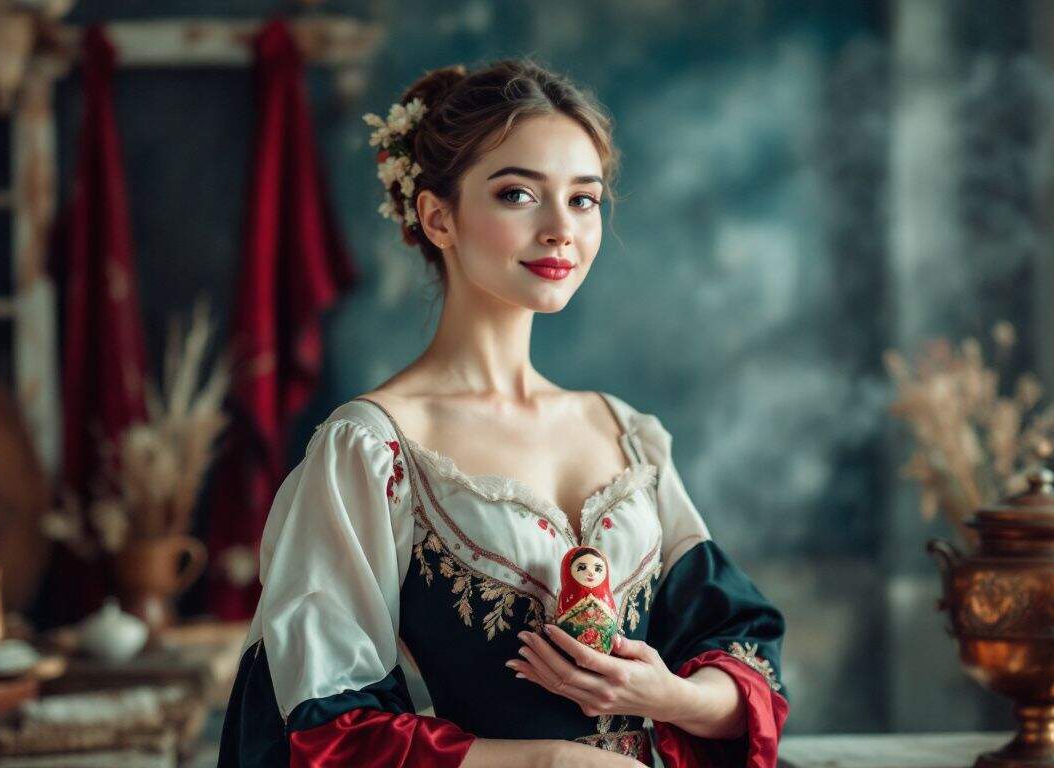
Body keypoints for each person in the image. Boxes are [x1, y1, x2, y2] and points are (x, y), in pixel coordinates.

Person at [217, 58, 789, 768]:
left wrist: (667, 696)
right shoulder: (371, 451)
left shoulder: (627, 434)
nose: (560, 230)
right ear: (437, 216)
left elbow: (743, 653)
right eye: (518, 193)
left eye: (584, 199)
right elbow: (325, 732)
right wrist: (543, 763)